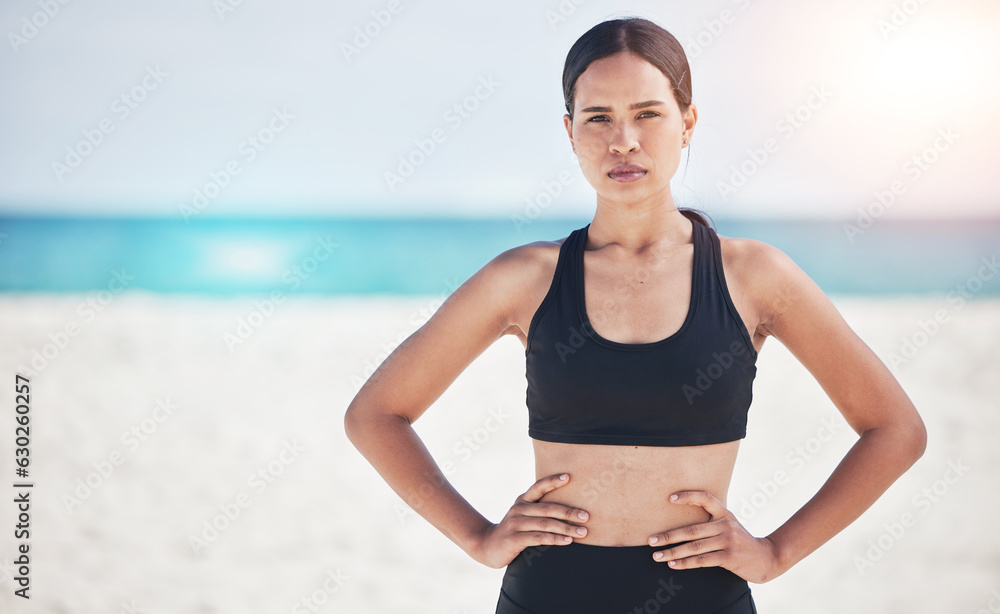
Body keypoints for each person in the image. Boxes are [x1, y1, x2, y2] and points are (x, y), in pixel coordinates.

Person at [344, 16, 927, 614]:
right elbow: (376, 415)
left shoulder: (753, 276)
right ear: (570, 133)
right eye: (599, 118)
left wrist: (776, 553)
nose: (623, 140)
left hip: (702, 599)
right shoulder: (524, 279)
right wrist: (476, 537)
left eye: (647, 113)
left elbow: (895, 430)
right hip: (548, 598)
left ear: (688, 123)